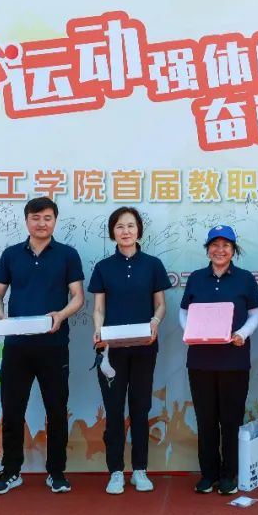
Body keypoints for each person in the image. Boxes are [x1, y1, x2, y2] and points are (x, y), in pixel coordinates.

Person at [0, 196, 85, 495]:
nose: (42, 223)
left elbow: (78, 297)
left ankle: (56, 472)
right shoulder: (11, 255)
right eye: (36, 217)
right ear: (26, 220)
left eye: (47, 218)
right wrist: (1, 317)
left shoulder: (67, 255)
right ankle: (11, 471)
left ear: (55, 221)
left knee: (56, 410)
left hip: (54, 345)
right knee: (12, 409)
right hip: (16, 346)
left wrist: (61, 315)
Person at [88, 207, 170, 495]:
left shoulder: (153, 265)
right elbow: (99, 308)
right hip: (111, 350)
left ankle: (139, 470)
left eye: (131, 226)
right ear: (113, 232)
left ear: (139, 230)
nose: (126, 231)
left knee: (140, 407)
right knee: (113, 410)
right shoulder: (103, 267)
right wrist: (98, 330)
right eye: (120, 226)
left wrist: (155, 322)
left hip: (144, 347)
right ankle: (115, 471)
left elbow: (160, 304)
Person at [179, 225, 258, 495]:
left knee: (230, 419)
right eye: (214, 245)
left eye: (226, 245)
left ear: (233, 250)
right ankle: (208, 474)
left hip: (234, 361)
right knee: (205, 419)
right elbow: (184, 311)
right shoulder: (196, 278)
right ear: (207, 250)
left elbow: (256, 312)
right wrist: (190, 332)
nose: (220, 250)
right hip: (200, 361)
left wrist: (242, 333)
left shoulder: (245, 279)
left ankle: (228, 474)